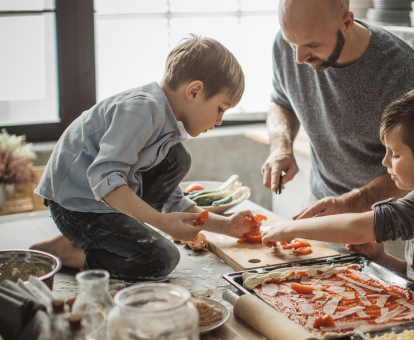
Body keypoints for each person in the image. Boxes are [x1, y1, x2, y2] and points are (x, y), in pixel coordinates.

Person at [262, 86, 414, 318]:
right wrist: (381, 258)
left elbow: (361, 227)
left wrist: (289, 229)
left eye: (396, 154)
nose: (385, 162)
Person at [30, 36, 255, 278]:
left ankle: (70, 241)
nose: (219, 120)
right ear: (194, 91)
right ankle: (70, 255)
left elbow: (173, 200)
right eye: (221, 108)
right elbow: (104, 178)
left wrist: (225, 225)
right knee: (161, 259)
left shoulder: (166, 126)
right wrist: (161, 222)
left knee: (179, 156)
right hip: (73, 207)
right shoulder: (143, 109)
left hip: (98, 203)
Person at [261, 0, 414, 219]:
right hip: (320, 201)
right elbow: (281, 101)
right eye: (292, 43)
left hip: (388, 215)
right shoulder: (286, 46)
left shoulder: (400, 70)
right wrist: (280, 147)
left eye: (313, 45)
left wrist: (349, 204)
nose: (299, 59)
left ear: (347, 22)